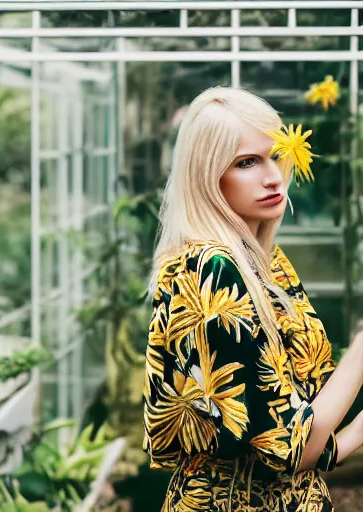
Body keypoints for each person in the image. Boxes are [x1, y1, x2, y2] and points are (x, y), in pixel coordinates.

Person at [142, 86, 363, 511]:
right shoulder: (212, 269)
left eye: (277, 155)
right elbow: (289, 450)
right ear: (207, 175)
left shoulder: (265, 262)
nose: (273, 176)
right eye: (246, 162)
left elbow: (290, 433)